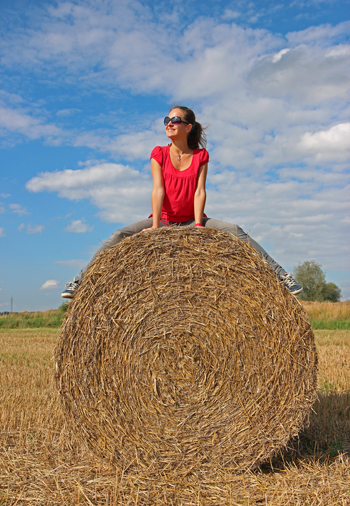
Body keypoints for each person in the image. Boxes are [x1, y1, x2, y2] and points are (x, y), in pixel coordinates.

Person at [61, 106, 302, 298]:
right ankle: (79, 281)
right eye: (166, 119)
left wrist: (198, 226)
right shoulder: (158, 153)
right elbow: (158, 190)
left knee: (236, 231)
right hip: (164, 220)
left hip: (193, 220)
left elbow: (200, 191)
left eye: (175, 119)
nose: (169, 122)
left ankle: (282, 276)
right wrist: (155, 226)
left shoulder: (201, 156)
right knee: (118, 235)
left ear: (188, 127)